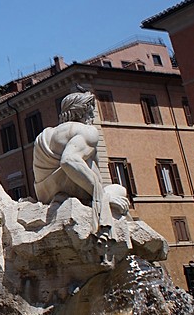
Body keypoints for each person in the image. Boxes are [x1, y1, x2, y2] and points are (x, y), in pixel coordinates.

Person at [33, 91, 130, 243]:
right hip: (76, 190)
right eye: (92, 109)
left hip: (46, 195)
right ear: (86, 110)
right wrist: (102, 196)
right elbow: (69, 160)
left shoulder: (44, 135)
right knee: (120, 190)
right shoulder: (87, 131)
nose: (94, 114)